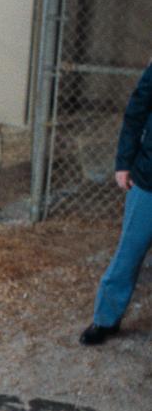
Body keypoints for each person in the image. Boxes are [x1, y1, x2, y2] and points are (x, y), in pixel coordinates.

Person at [79, 62, 152, 345]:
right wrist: (124, 163)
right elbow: (136, 112)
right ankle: (105, 320)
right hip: (148, 178)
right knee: (129, 253)